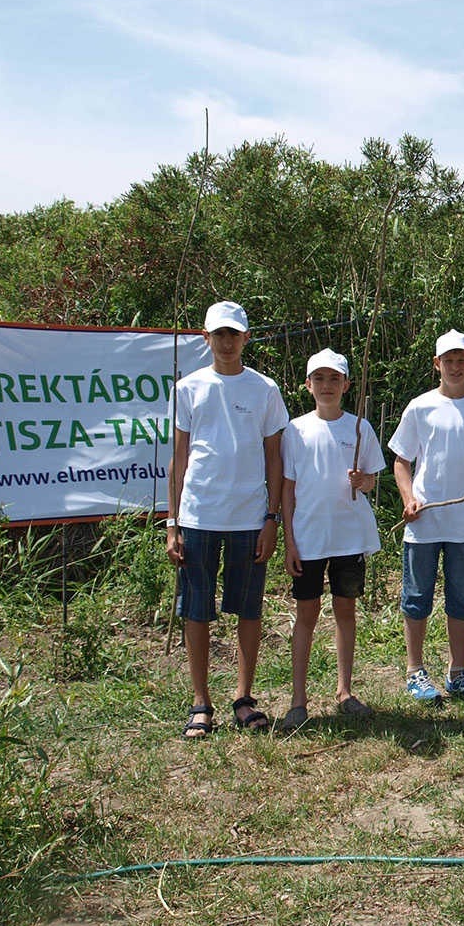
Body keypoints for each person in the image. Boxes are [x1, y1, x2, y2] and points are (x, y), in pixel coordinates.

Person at [166, 300, 289, 738]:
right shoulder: (188, 388)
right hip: (198, 515)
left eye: (234, 334)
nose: (226, 341)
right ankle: (201, 703)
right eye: (218, 334)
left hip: (250, 518)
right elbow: (178, 459)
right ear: (206, 338)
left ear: (246, 338)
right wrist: (173, 523)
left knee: (248, 609)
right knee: (197, 609)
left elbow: (275, 457)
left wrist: (272, 518)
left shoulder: (264, 389)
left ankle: (243, 698)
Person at [388, 329, 464, 703]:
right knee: (417, 596)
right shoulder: (419, 407)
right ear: (437, 364)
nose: (455, 366)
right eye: (448, 360)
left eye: (461, 360)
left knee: (462, 598)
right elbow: (401, 461)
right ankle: (415, 671)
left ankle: (457, 672)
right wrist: (409, 499)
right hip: (423, 524)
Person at [279, 348, 386, 731]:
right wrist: (289, 541)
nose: (327, 386)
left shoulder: (360, 429)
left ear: (346, 385)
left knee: (345, 611)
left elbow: (373, 479)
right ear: (308, 385)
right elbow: (287, 490)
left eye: (334, 379)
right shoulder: (295, 430)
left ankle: (344, 691)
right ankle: (298, 699)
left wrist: (364, 481)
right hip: (308, 538)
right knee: (305, 614)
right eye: (319, 379)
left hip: (349, 538)